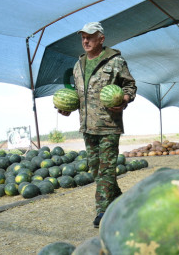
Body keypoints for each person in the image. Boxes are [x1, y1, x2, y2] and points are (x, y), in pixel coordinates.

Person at [57, 22, 137, 228]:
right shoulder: (78, 65)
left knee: (106, 170)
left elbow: (130, 85)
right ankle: (122, 203)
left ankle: (102, 211)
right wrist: (68, 107)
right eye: (83, 37)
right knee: (95, 170)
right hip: (87, 126)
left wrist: (125, 99)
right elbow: (80, 96)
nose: (85, 41)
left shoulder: (116, 62)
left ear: (101, 39)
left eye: (90, 37)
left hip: (109, 125)